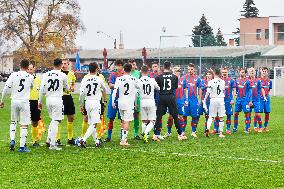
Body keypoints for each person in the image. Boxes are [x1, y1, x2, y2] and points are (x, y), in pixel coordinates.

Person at [0, 59, 34, 152]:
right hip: (24, 102)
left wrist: (2, 100)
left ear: (19, 65)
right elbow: (32, 87)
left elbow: (6, 87)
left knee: (13, 121)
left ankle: (12, 140)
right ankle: (22, 147)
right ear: (28, 67)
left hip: (14, 101)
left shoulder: (13, 75)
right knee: (24, 124)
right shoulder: (30, 76)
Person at [38, 58, 69, 150]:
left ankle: (48, 139)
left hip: (48, 99)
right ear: (60, 65)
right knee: (56, 121)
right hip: (57, 99)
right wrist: (69, 88)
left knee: (53, 120)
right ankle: (52, 144)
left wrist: (39, 101)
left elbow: (41, 88)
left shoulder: (46, 74)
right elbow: (67, 88)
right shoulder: (63, 75)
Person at [153, 61, 187, 141]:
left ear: (163, 67)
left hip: (162, 97)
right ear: (170, 67)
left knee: (159, 116)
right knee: (175, 116)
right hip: (171, 97)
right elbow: (175, 88)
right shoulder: (174, 77)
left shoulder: (158, 77)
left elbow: (156, 88)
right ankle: (180, 134)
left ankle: (155, 135)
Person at [79, 62, 107, 148]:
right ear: (96, 69)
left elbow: (81, 94)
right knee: (94, 123)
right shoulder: (99, 79)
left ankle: (96, 141)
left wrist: (81, 105)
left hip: (87, 102)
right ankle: (83, 139)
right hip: (96, 102)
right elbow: (104, 90)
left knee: (91, 123)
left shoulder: (85, 79)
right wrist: (105, 100)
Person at [112, 63, 139, 146]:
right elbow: (137, 92)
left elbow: (115, 91)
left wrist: (113, 101)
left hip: (121, 102)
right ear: (131, 70)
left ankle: (122, 139)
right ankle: (124, 140)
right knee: (127, 121)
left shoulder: (119, 79)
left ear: (124, 69)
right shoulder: (134, 79)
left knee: (123, 120)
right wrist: (135, 102)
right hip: (129, 103)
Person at [137, 65, 160, 143]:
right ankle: (146, 133)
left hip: (142, 101)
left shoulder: (139, 80)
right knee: (152, 120)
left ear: (141, 71)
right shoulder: (152, 80)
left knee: (144, 120)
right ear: (148, 71)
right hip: (150, 101)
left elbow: (136, 91)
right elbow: (158, 88)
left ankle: (144, 134)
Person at [56, 59, 76, 145]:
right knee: (58, 118)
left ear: (68, 65)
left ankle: (70, 138)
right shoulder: (57, 73)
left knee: (71, 117)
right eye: (62, 63)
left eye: (65, 64)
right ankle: (57, 138)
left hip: (68, 97)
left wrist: (73, 87)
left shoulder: (71, 74)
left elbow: (73, 84)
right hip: (60, 97)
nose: (63, 65)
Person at [204, 68, 226, 138]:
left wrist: (204, 99)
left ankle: (207, 129)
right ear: (219, 73)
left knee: (211, 116)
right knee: (221, 117)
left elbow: (208, 91)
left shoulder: (211, 81)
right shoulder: (223, 81)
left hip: (213, 99)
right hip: (221, 99)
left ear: (214, 73)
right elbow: (223, 90)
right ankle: (221, 133)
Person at [164, 66, 186, 138]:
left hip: (180, 100)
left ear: (180, 72)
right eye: (175, 71)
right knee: (170, 116)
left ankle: (182, 132)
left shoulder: (183, 80)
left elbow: (186, 90)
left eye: (178, 71)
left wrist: (185, 99)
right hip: (172, 100)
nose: (177, 72)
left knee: (180, 116)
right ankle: (169, 132)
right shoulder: (170, 80)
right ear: (173, 71)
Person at [106, 60, 125, 141]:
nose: (119, 67)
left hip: (123, 99)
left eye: (120, 65)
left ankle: (122, 137)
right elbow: (110, 85)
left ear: (123, 66)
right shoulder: (113, 75)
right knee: (111, 118)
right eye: (117, 65)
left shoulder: (125, 75)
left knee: (122, 119)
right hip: (113, 98)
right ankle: (109, 136)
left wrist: (117, 86)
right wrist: (118, 86)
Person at [183, 63, 203, 138]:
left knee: (195, 116)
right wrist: (184, 99)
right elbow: (184, 89)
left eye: (191, 69)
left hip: (194, 100)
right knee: (184, 116)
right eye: (189, 69)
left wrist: (199, 99)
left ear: (194, 69)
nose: (190, 71)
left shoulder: (197, 78)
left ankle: (193, 131)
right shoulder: (185, 78)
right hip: (186, 100)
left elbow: (200, 89)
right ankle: (183, 131)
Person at [233, 68, 252, 134]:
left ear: (245, 73)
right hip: (238, 100)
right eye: (241, 72)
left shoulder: (247, 81)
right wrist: (235, 94)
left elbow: (250, 91)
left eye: (243, 72)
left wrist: (250, 100)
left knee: (246, 114)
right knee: (235, 113)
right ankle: (235, 128)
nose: (242, 73)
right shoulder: (237, 80)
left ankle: (247, 128)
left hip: (245, 100)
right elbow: (236, 89)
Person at [27, 63, 42, 146]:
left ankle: (34, 141)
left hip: (35, 102)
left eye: (31, 69)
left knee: (35, 121)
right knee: (24, 122)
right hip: (25, 102)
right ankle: (23, 141)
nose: (29, 71)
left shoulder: (38, 80)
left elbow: (40, 92)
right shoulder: (24, 79)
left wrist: (40, 102)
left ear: (34, 69)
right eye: (28, 69)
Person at [248, 67, 266, 132]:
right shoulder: (247, 81)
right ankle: (248, 127)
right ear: (248, 73)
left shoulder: (258, 81)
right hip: (249, 100)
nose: (252, 72)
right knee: (248, 114)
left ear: (255, 73)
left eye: (253, 71)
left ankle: (260, 127)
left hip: (256, 99)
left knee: (257, 114)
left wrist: (264, 96)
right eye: (250, 71)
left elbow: (261, 89)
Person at [129, 59, 141, 139]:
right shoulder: (125, 73)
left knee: (136, 114)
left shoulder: (138, 73)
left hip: (137, 97)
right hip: (128, 98)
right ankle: (124, 134)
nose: (132, 66)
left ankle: (136, 133)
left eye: (134, 64)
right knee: (126, 115)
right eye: (131, 64)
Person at [221, 67, 235, 134]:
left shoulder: (231, 80)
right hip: (220, 100)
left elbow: (234, 89)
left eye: (225, 72)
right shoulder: (219, 80)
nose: (224, 73)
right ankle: (217, 129)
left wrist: (232, 99)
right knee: (219, 115)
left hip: (228, 100)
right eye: (223, 72)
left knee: (228, 115)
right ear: (221, 72)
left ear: (227, 72)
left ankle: (228, 129)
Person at [259, 67, 272, 132]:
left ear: (267, 72)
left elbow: (269, 89)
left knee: (267, 113)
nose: (264, 72)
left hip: (267, 98)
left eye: (265, 71)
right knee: (259, 113)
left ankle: (265, 126)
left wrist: (266, 96)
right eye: (263, 71)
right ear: (261, 72)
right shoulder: (258, 80)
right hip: (260, 98)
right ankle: (260, 126)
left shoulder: (270, 81)